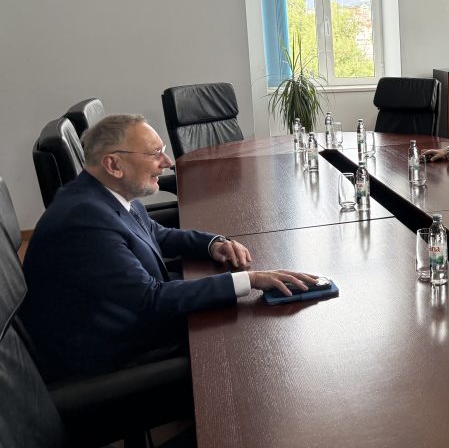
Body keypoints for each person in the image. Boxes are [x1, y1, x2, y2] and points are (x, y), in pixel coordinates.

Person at [20, 114, 317, 382]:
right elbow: (150, 299)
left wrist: (213, 244)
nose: (167, 162)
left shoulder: (105, 194)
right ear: (114, 164)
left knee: (246, 319)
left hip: (127, 320)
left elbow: (155, 233)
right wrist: (249, 280)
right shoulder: (85, 220)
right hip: (106, 359)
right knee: (245, 345)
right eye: (154, 154)